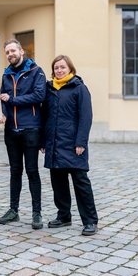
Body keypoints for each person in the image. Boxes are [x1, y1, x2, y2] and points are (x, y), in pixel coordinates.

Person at [41, 55, 98, 236]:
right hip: (54, 144)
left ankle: (90, 221)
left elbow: (86, 117)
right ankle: (64, 216)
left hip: (74, 145)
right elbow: (44, 117)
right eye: (56, 68)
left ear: (70, 69)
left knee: (81, 183)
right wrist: (43, 141)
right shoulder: (50, 89)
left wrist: (81, 142)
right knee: (58, 184)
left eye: (62, 67)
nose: (59, 70)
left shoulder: (79, 89)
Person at [0, 39, 46, 230]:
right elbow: (2, 98)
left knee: (32, 171)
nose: (10, 54)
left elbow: (39, 96)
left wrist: (13, 100)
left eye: (13, 51)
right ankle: (13, 210)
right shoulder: (6, 75)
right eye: (7, 52)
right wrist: (2, 113)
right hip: (11, 131)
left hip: (31, 129)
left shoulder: (36, 71)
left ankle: (36, 212)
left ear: (21, 51)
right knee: (15, 171)